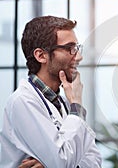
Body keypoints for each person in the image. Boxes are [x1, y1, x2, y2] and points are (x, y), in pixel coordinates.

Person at [0, 16, 102, 167]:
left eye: (77, 48)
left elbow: (95, 161)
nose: (79, 57)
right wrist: (77, 106)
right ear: (41, 56)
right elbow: (62, 161)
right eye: (70, 49)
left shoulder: (66, 103)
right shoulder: (23, 101)